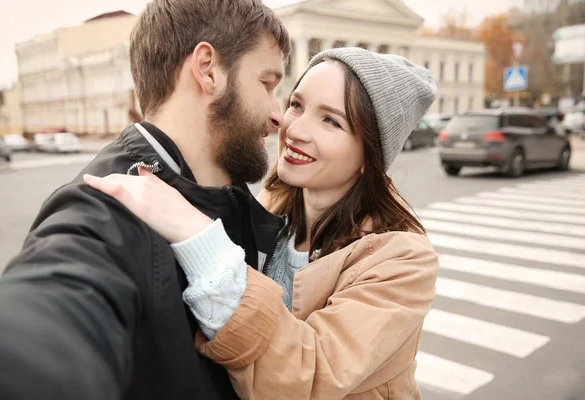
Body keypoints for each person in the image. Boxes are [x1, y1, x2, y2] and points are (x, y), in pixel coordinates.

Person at [84, 48, 440, 399]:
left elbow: (312, 376)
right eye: (297, 105)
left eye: (330, 120)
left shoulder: (401, 260)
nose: (294, 128)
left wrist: (199, 236)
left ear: (370, 156)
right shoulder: (267, 208)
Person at [0, 1, 290, 399]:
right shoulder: (107, 206)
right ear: (208, 69)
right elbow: (53, 308)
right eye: (267, 84)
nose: (277, 114)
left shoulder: (230, 198)